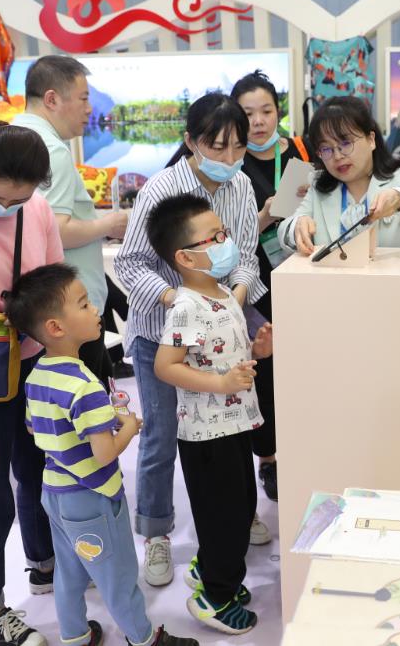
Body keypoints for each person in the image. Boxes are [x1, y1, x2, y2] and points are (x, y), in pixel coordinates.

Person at [114, 92, 269, 587]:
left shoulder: (241, 185)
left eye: (238, 146)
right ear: (191, 141)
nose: (229, 157)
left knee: (229, 425)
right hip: (163, 331)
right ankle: (157, 532)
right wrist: (180, 300)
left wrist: (232, 299)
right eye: (217, 146)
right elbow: (130, 263)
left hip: (221, 330)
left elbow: (245, 256)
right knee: (162, 435)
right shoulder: (162, 188)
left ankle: (237, 514)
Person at [5, 264, 198, 646]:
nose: (96, 309)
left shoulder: (37, 375)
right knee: (118, 574)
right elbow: (104, 455)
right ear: (56, 327)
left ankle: (75, 636)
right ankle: (144, 638)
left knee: (69, 571)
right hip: (92, 497)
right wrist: (128, 425)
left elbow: (33, 428)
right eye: (83, 304)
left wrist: (95, 423)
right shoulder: (85, 386)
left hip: (55, 492)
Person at [277, 95, 400, 473]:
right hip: (342, 326)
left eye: (346, 142)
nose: (337, 156)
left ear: (371, 138)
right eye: (326, 149)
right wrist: (296, 226)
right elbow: (286, 227)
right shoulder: (318, 187)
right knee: (352, 422)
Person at [147, 194, 273, 634]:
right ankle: (215, 598)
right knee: (224, 519)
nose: (226, 242)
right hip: (206, 436)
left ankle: (211, 571)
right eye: (215, 238)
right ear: (185, 257)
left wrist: (258, 350)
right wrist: (220, 384)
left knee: (240, 508)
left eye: (224, 233)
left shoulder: (223, 294)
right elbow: (165, 366)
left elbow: (223, 354)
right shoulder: (186, 306)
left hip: (235, 423)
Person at [12, 55, 127, 387]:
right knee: (86, 401)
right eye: (83, 98)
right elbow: (56, 231)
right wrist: (109, 225)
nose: (89, 109)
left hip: (41, 308)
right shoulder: (52, 151)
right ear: (52, 99)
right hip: (69, 310)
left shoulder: (14, 138)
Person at [0, 123, 60, 646]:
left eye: (19, 198)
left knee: (39, 468)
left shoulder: (36, 209)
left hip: (32, 361)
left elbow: (54, 279)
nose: (8, 207)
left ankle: (45, 562)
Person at [230, 70, 311, 501]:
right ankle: (268, 458)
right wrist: (262, 219)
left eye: (266, 111)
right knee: (264, 371)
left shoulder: (301, 151)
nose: (259, 122)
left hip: (302, 278)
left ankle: (303, 446)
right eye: (248, 114)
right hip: (253, 284)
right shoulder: (229, 161)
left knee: (302, 367)